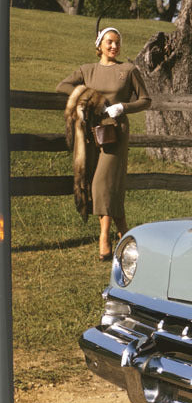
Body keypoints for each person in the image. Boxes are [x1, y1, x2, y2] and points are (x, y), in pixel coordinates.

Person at [57, 27, 152, 260]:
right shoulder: (87, 70)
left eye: (117, 43)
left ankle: (104, 237)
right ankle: (125, 232)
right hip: (91, 131)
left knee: (102, 183)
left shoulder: (128, 70)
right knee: (105, 184)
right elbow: (63, 87)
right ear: (99, 45)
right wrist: (92, 98)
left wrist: (123, 107)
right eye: (109, 42)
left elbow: (145, 100)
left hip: (115, 132)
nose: (114, 46)